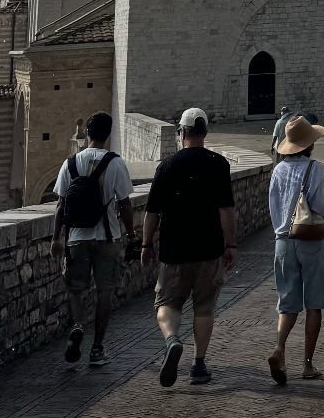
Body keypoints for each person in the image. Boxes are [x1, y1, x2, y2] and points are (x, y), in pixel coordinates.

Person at [141, 106, 236, 388]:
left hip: (174, 250)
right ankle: (199, 365)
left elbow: (152, 212)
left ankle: (172, 340)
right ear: (205, 133)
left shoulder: (167, 166)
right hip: (209, 249)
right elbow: (226, 210)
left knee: (167, 303)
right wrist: (231, 244)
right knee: (204, 308)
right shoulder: (219, 164)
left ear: (181, 132)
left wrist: (146, 244)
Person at [50, 112, 135, 369]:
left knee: (76, 288)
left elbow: (60, 205)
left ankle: (77, 326)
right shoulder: (116, 163)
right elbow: (125, 204)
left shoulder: (70, 163)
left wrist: (57, 238)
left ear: (87, 133)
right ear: (108, 135)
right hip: (107, 238)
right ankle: (97, 349)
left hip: (76, 237)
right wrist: (131, 234)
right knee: (104, 292)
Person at [267, 115, 324, 385]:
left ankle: (280, 349)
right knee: (314, 303)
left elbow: (272, 206)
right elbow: (322, 206)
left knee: (287, 302)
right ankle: (307, 364)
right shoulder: (314, 169)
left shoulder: (278, 170)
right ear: (310, 144)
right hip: (310, 240)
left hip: (283, 241)